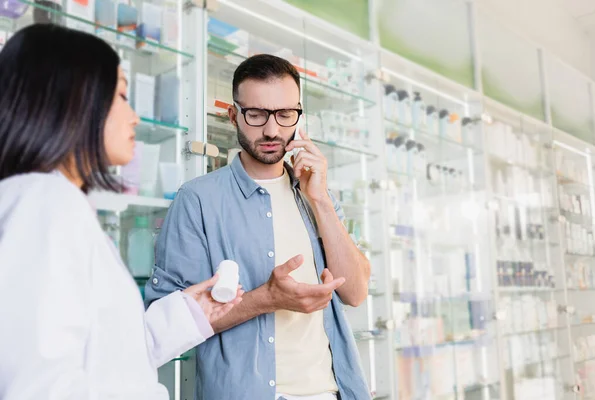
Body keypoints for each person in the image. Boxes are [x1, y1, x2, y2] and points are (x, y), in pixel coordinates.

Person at [0, 24, 242, 400]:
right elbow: (39, 387)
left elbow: (107, 358)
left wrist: (189, 313)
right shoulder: (46, 203)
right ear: (73, 99)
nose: (135, 117)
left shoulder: (48, 203)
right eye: (122, 96)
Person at [145, 54, 372, 400]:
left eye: (284, 115)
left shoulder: (316, 194)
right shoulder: (198, 200)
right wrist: (265, 299)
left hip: (333, 392)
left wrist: (321, 199)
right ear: (233, 115)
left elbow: (355, 293)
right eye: (256, 114)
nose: (271, 130)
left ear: (298, 115)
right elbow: (169, 326)